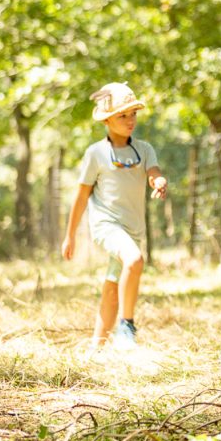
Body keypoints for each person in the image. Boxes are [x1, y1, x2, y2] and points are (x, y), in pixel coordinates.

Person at [62, 83, 168, 349]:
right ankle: (126, 327)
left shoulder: (144, 150)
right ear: (107, 120)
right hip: (106, 225)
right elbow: (81, 196)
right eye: (122, 116)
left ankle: (96, 349)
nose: (130, 120)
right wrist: (70, 235)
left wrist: (159, 181)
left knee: (113, 285)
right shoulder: (96, 154)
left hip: (133, 228)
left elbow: (153, 172)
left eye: (133, 114)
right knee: (134, 260)